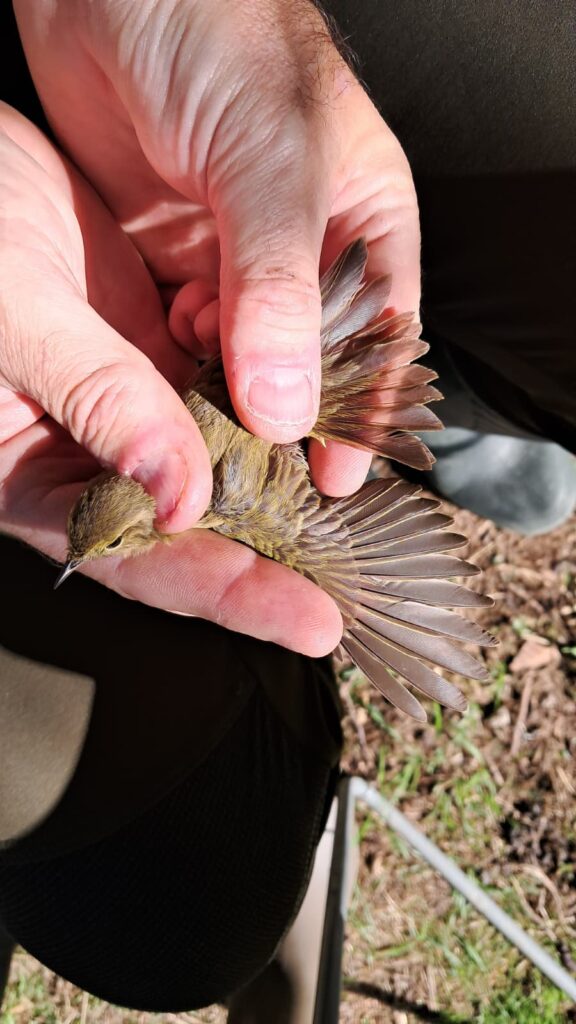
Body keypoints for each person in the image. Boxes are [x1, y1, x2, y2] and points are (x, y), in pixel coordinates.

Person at [0, 1, 574, 1020]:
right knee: (185, 915)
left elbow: (324, 537)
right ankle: (433, 409)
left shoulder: (211, 497)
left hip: (215, 271)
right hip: (221, 337)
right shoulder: (131, 482)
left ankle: (431, 407)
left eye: (128, 526)